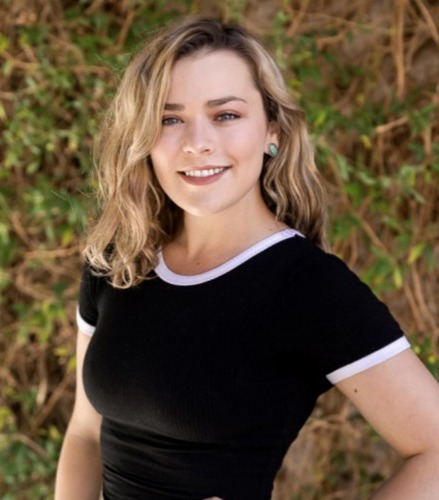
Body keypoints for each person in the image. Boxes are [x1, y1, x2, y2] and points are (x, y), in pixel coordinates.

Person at [55, 16, 439, 500]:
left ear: (272, 131)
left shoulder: (307, 288)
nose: (197, 142)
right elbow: (85, 434)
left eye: (226, 115)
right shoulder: (120, 256)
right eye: (170, 119)